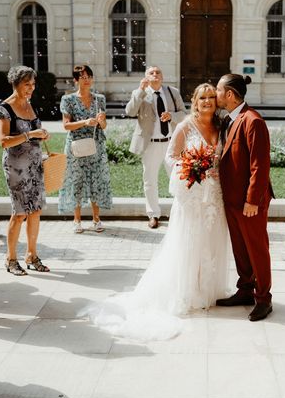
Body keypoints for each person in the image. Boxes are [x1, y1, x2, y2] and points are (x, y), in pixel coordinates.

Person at [87, 83, 229, 340]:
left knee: (210, 241)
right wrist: (192, 166)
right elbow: (171, 157)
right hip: (192, 194)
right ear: (194, 101)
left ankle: (207, 289)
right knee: (190, 242)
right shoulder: (186, 125)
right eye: (202, 98)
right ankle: (187, 291)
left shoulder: (221, 125)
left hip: (214, 196)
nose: (207, 101)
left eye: (211, 97)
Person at [215, 74, 274, 322]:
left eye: (218, 90)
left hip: (250, 200)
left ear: (229, 94)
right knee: (240, 248)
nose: (214, 94)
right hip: (231, 198)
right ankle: (245, 290)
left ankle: (263, 298)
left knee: (256, 249)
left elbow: (260, 166)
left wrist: (252, 200)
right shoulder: (228, 119)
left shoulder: (253, 121)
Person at [0, 66, 50, 276]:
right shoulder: (4, 109)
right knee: (19, 213)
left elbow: (33, 133)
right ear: (15, 84)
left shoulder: (29, 104)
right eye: (27, 84)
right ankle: (10, 259)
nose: (31, 88)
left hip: (35, 165)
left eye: (33, 84)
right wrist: (30, 134)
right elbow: (3, 141)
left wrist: (42, 135)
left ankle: (32, 255)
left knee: (35, 211)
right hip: (16, 167)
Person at [125, 66, 187, 229]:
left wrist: (171, 116)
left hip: (170, 143)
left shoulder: (172, 92)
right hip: (150, 144)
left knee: (177, 179)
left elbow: (183, 114)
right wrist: (140, 90)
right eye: (151, 73)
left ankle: (180, 214)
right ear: (146, 77)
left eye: (158, 72)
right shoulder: (140, 93)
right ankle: (153, 215)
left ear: (162, 76)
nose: (155, 75)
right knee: (150, 181)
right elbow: (130, 111)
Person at [58, 65, 112, 233]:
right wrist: (85, 122)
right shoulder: (68, 100)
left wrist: (101, 121)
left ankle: (96, 220)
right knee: (77, 181)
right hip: (76, 146)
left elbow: (103, 125)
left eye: (89, 76)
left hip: (96, 145)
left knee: (96, 180)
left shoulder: (99, 99)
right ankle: (77, 220)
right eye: (82, 77)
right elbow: (66, 126)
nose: (86, 79)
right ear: (76, 80)